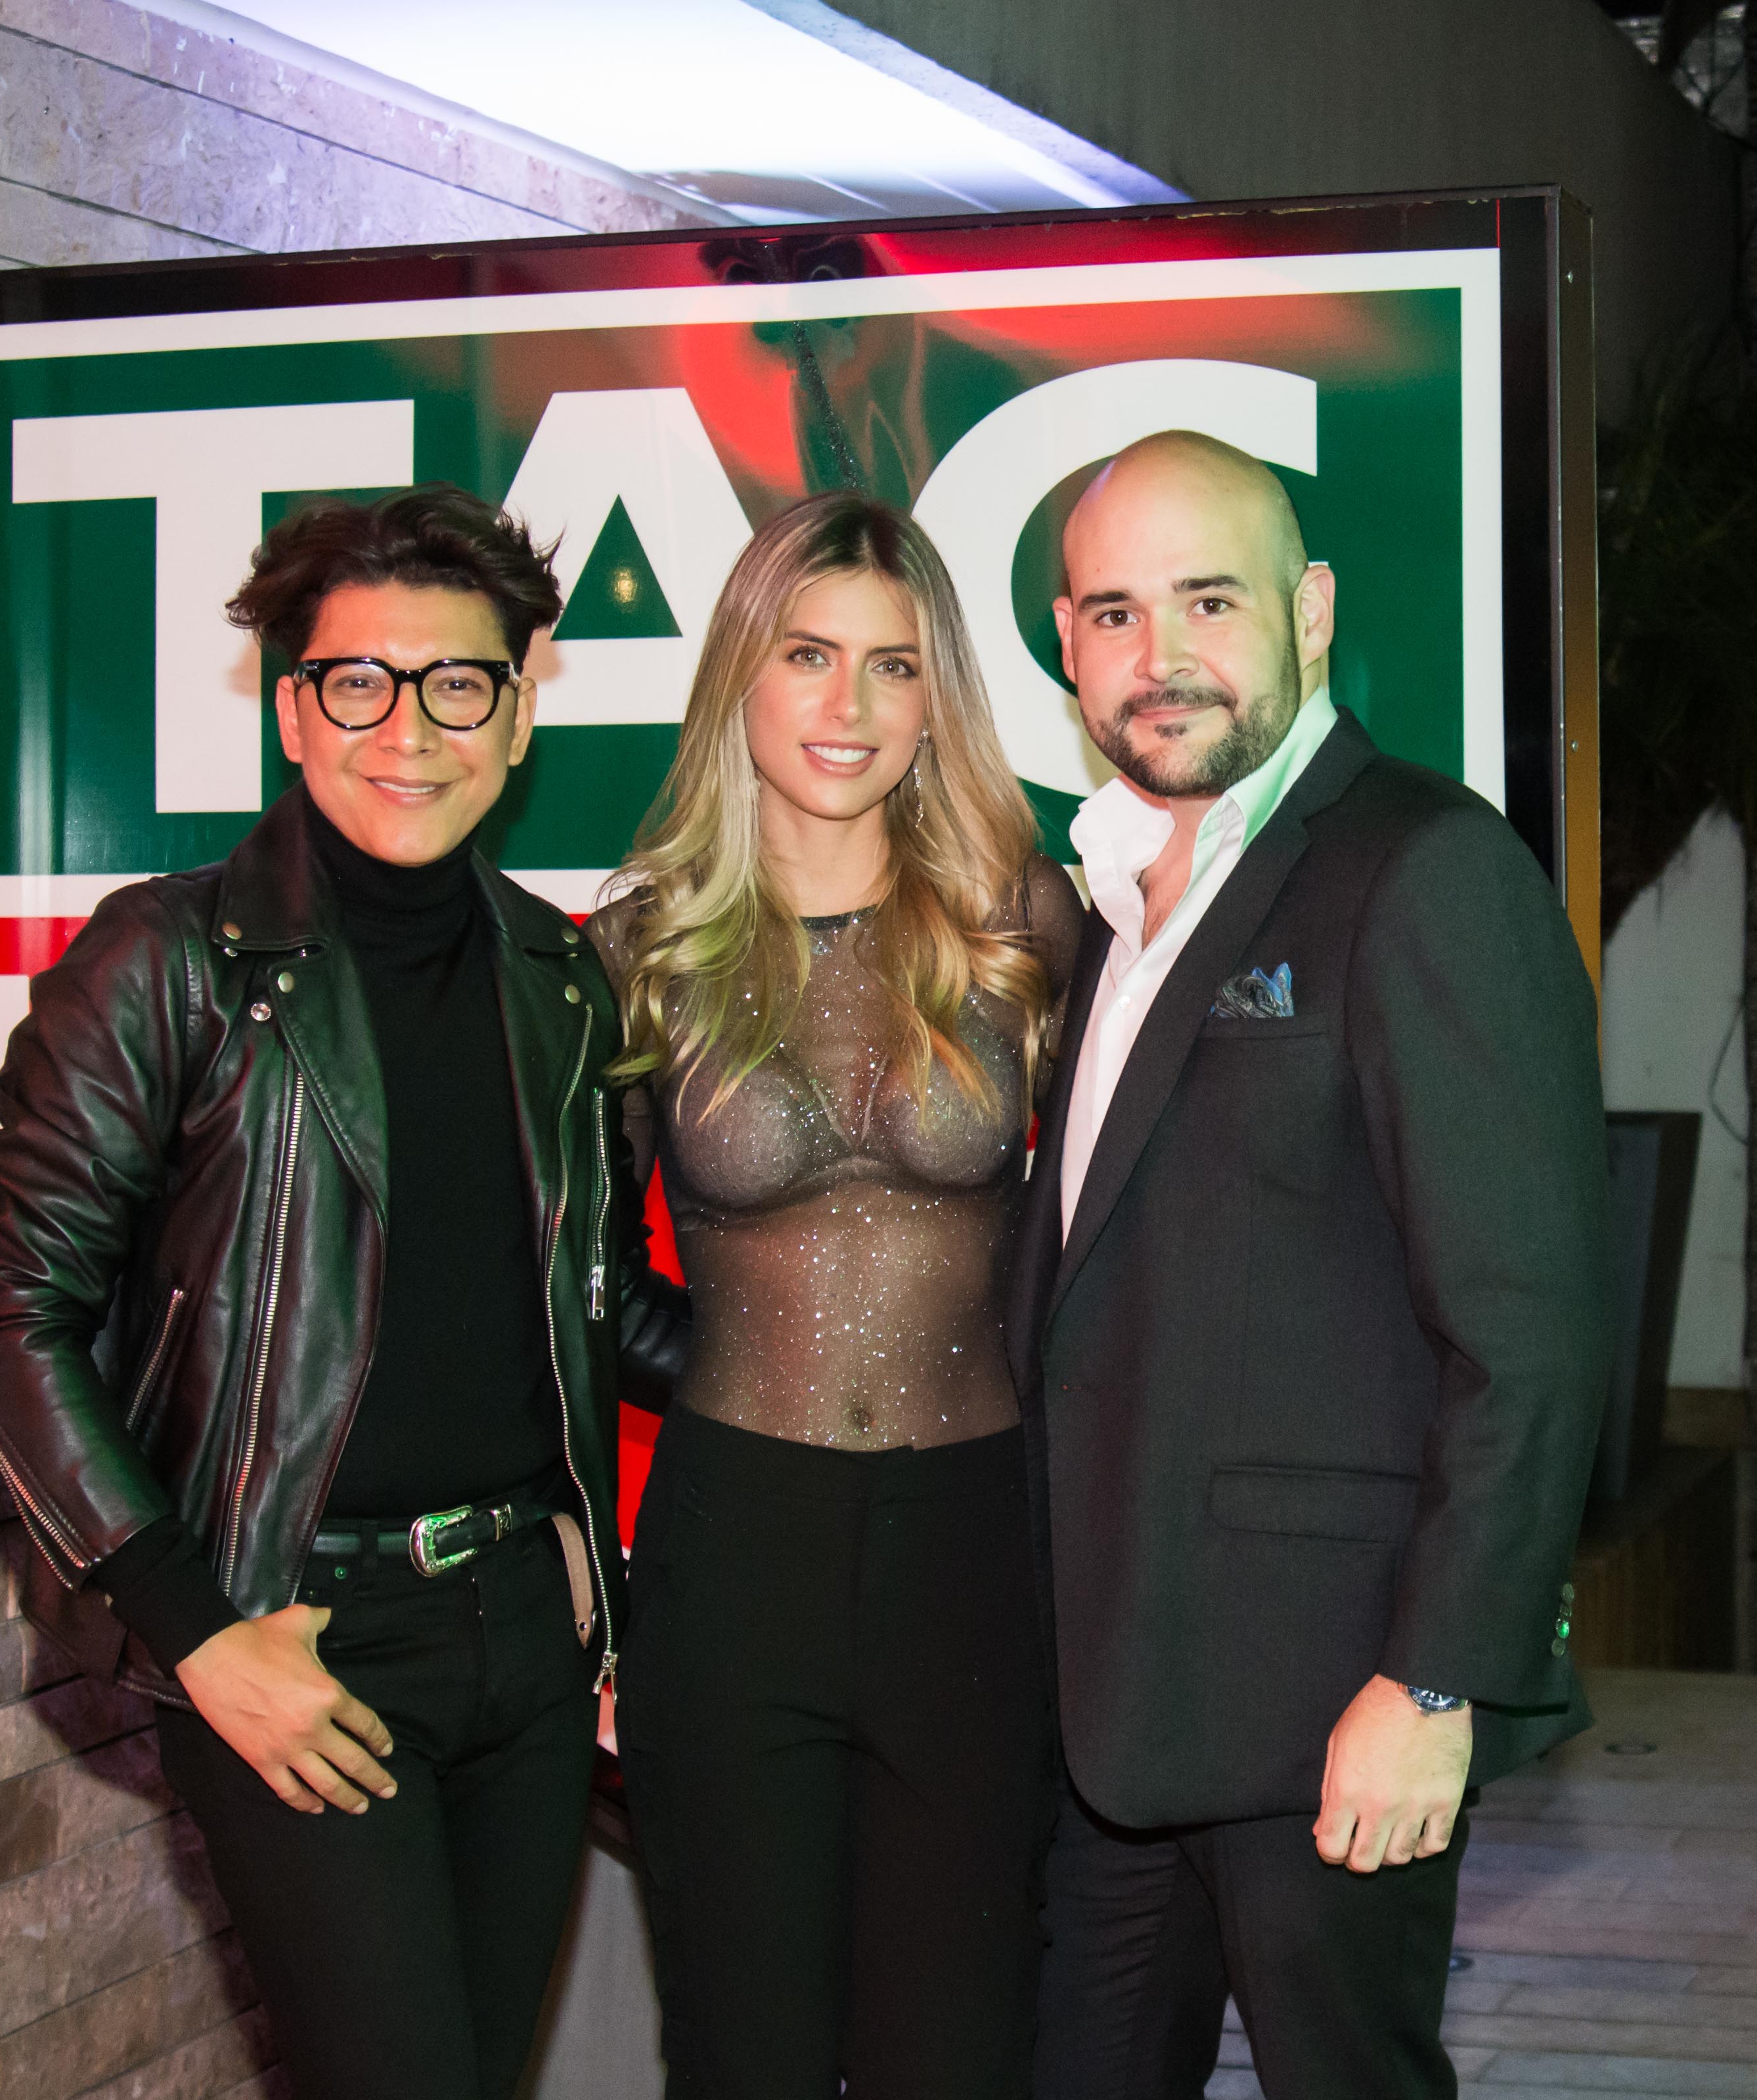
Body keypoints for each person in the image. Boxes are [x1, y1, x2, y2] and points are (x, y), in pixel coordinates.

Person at [0, 485, 679, 2100]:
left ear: (517, 714)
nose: (408, 729)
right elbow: (5, 1304)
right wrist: (198, 1636)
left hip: (529, 1637)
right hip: (296, 1637)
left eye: (457, 683)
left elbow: (600, 1303)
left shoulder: (560, 980)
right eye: (360, 683)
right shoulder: (162, 963)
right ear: (293, 712)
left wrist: (890, 1369)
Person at [1013, 431, 1611, 2099]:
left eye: (1209, 601)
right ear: (1067, 643)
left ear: (1313, 608)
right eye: (1116, 614)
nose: (1161, 657)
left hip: (1327, 1701)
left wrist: (1434, 1677)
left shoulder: (1424, 867)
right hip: (1107, 1703)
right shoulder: (1101, 898)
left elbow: (1530, 1332)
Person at [587, 491, 1079, 2099]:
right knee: (744, 2059)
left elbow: (1116, 1236)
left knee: (961, 2055)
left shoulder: (1026, 925)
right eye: (806, 654)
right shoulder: (640, 949)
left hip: (974, 1553)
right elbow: (580, 1283)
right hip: (736, 1554)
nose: (848, 705)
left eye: (892, 664)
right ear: (740, 672)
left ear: (938, 697)